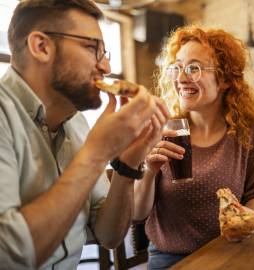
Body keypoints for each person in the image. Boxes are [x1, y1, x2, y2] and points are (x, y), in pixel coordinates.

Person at [0, 0, 169, 269]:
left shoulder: (77, 122)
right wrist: (97, 152)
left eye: (105, 53)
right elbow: (9, 256)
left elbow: (109, 235)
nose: (105, 67)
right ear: (41, 47)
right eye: (92, 49)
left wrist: (127, 164)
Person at [133, 25, 254, 269]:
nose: (180, 78)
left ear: (226, 79)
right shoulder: (161, 129)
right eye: (177, 68)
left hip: (232, 253)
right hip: (171, 258)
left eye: (194, 68)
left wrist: (248, 220)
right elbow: (137, 213)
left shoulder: (253, 131)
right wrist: (149, 170)